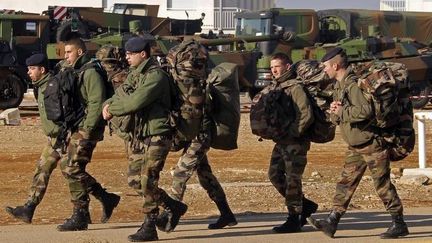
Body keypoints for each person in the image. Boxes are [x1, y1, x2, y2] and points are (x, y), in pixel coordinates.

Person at [5, 53, 119, 226]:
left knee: (70, 170)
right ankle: (29, 207)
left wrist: (68, 136)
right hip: (55, 137)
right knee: (43, 168)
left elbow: (65, 114)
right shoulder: (42, 85)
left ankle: (88, 207)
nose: (28, 72)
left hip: (63, 136)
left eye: (32, 69)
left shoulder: (53, 86)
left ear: (42, 69)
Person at [307, 47, 409, 239]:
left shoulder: (353, 85)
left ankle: (399, 223)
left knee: (382, 184)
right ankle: (332, 221)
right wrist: (335, 113)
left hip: (372, 144)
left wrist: (341, 112)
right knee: (346, 183)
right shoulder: (339, 85)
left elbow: (365, 112)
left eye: (326, 66)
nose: (324, 70)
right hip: (356, 145)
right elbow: (341, 115)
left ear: (335, 65)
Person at [102, 37, 187, 242]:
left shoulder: (156, 76)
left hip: (158, 134)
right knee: (134, 180)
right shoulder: (135, 74)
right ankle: (173, 206)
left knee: (148, 179)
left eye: (131, 54)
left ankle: (150, 225)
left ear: (143, 54)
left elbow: (135, 102)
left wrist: (111, 110)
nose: (127, 57)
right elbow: (121, 94)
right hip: (140, 134)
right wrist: (108, 104)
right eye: (126, 54)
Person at [56, 38, 120, 231]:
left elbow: (96, 102)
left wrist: (88, 130)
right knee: (69, 166)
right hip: (77, 126)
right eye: (65, 52)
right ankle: (89, 208)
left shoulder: (90, 72)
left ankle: (89, 209)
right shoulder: (75, 70)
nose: (65, 56)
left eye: (69, 52)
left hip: (87, 129)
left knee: (72, 168)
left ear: (80, 53)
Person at [267, 53, 318, 233]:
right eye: (272, 67)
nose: (274, 70)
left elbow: (306, 114)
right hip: (282, 140)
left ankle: (294, 218)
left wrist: (294, 133)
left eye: (277, 66)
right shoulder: (277, 86)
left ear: (288, 67)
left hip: (295, 141)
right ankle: (306, 206)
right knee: (274, 175)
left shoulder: (295, 87)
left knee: (293, 179)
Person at [158, 121, 237, 231]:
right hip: (195, 136)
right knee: (205, 175)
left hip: (199, 137)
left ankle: (170, 214)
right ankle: (226, 214)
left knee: (181, 173)